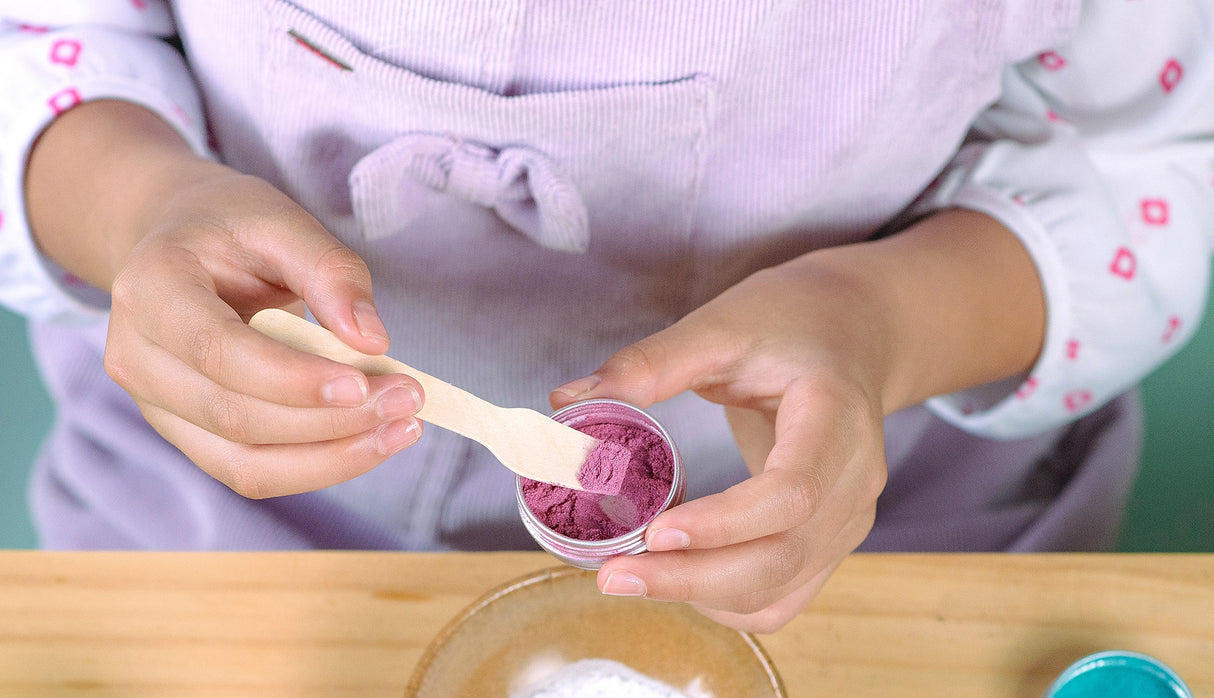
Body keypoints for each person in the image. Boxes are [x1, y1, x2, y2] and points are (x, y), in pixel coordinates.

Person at [0, 0, 1211, 632]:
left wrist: (877, 322)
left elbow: (1136, 169)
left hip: (854, 522)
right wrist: (138, 204)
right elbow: (48, 39)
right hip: (216, 499)